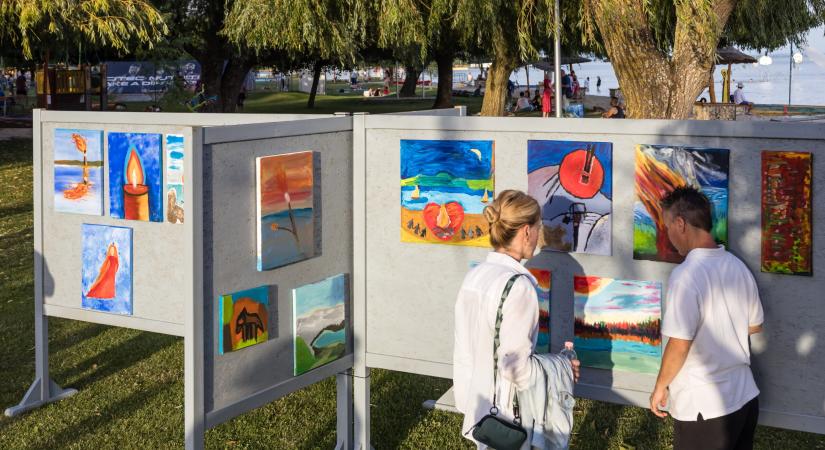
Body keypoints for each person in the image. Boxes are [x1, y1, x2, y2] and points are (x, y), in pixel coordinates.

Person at [454, 190, 580, 449]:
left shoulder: (476, 276)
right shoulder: (519, 287)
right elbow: (516, 369)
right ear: (526, 231)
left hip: (480, 409)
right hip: (508, 416)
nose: (538, 235)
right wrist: (563, 366)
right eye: (538, 227)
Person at [649, 187, 764, 450]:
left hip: (705, 406)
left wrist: (660, 387)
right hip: (744, 397)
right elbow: (754, 325)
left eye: (667, 226)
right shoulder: (737, 266)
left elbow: (679, 343)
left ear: (681, 224)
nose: (668, 236)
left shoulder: (686, 275)